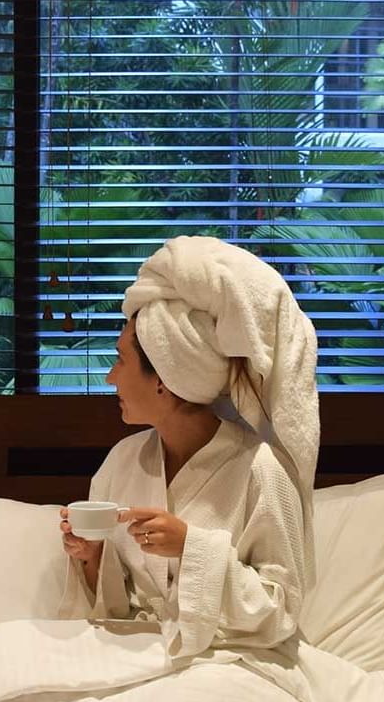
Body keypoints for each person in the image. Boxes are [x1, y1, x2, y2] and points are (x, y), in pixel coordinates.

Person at [58, 236, 319, 660]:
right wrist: (91, 556)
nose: (110, 378)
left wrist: (191, 547)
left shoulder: (260, 470)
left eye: (120, 361)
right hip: (137, 653)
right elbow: (115, 607)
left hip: (234, 661)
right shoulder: (122, 460)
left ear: (164, 377)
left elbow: (281, 612)